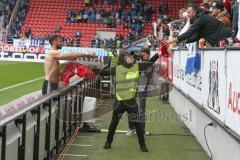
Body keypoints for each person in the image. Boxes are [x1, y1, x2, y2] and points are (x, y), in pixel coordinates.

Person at [103, 52, 149, 152]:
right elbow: (103, 72)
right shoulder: (117, 69)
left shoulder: (137, 66)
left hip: (132, 102)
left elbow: (151, 62)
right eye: (129, 56)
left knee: (137, 123)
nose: (131, 57)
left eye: (131, 56)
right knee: (114, 123)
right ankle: (108, 142)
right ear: (124, 59)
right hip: (119, 102)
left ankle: (143, 144)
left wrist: (159, 53)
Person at [163, 4, 234, 47]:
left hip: (229, 38)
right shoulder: (200, 18)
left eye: (188, 12)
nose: (187, 14)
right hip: (224, 40)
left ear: (194, 13)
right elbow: (197, 36)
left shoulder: (200, 19)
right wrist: (183, 41)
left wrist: (172, 40)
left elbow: (189, 33)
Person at [126, 48, 159, 136]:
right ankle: (131, 128)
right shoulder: (138, 63)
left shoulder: (150, 64)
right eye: (141, 55)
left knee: (141, 111)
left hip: (143, 89)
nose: (142, 57)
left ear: (148, 55)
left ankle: (141, 131)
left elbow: (148, 73)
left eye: (143, 55)